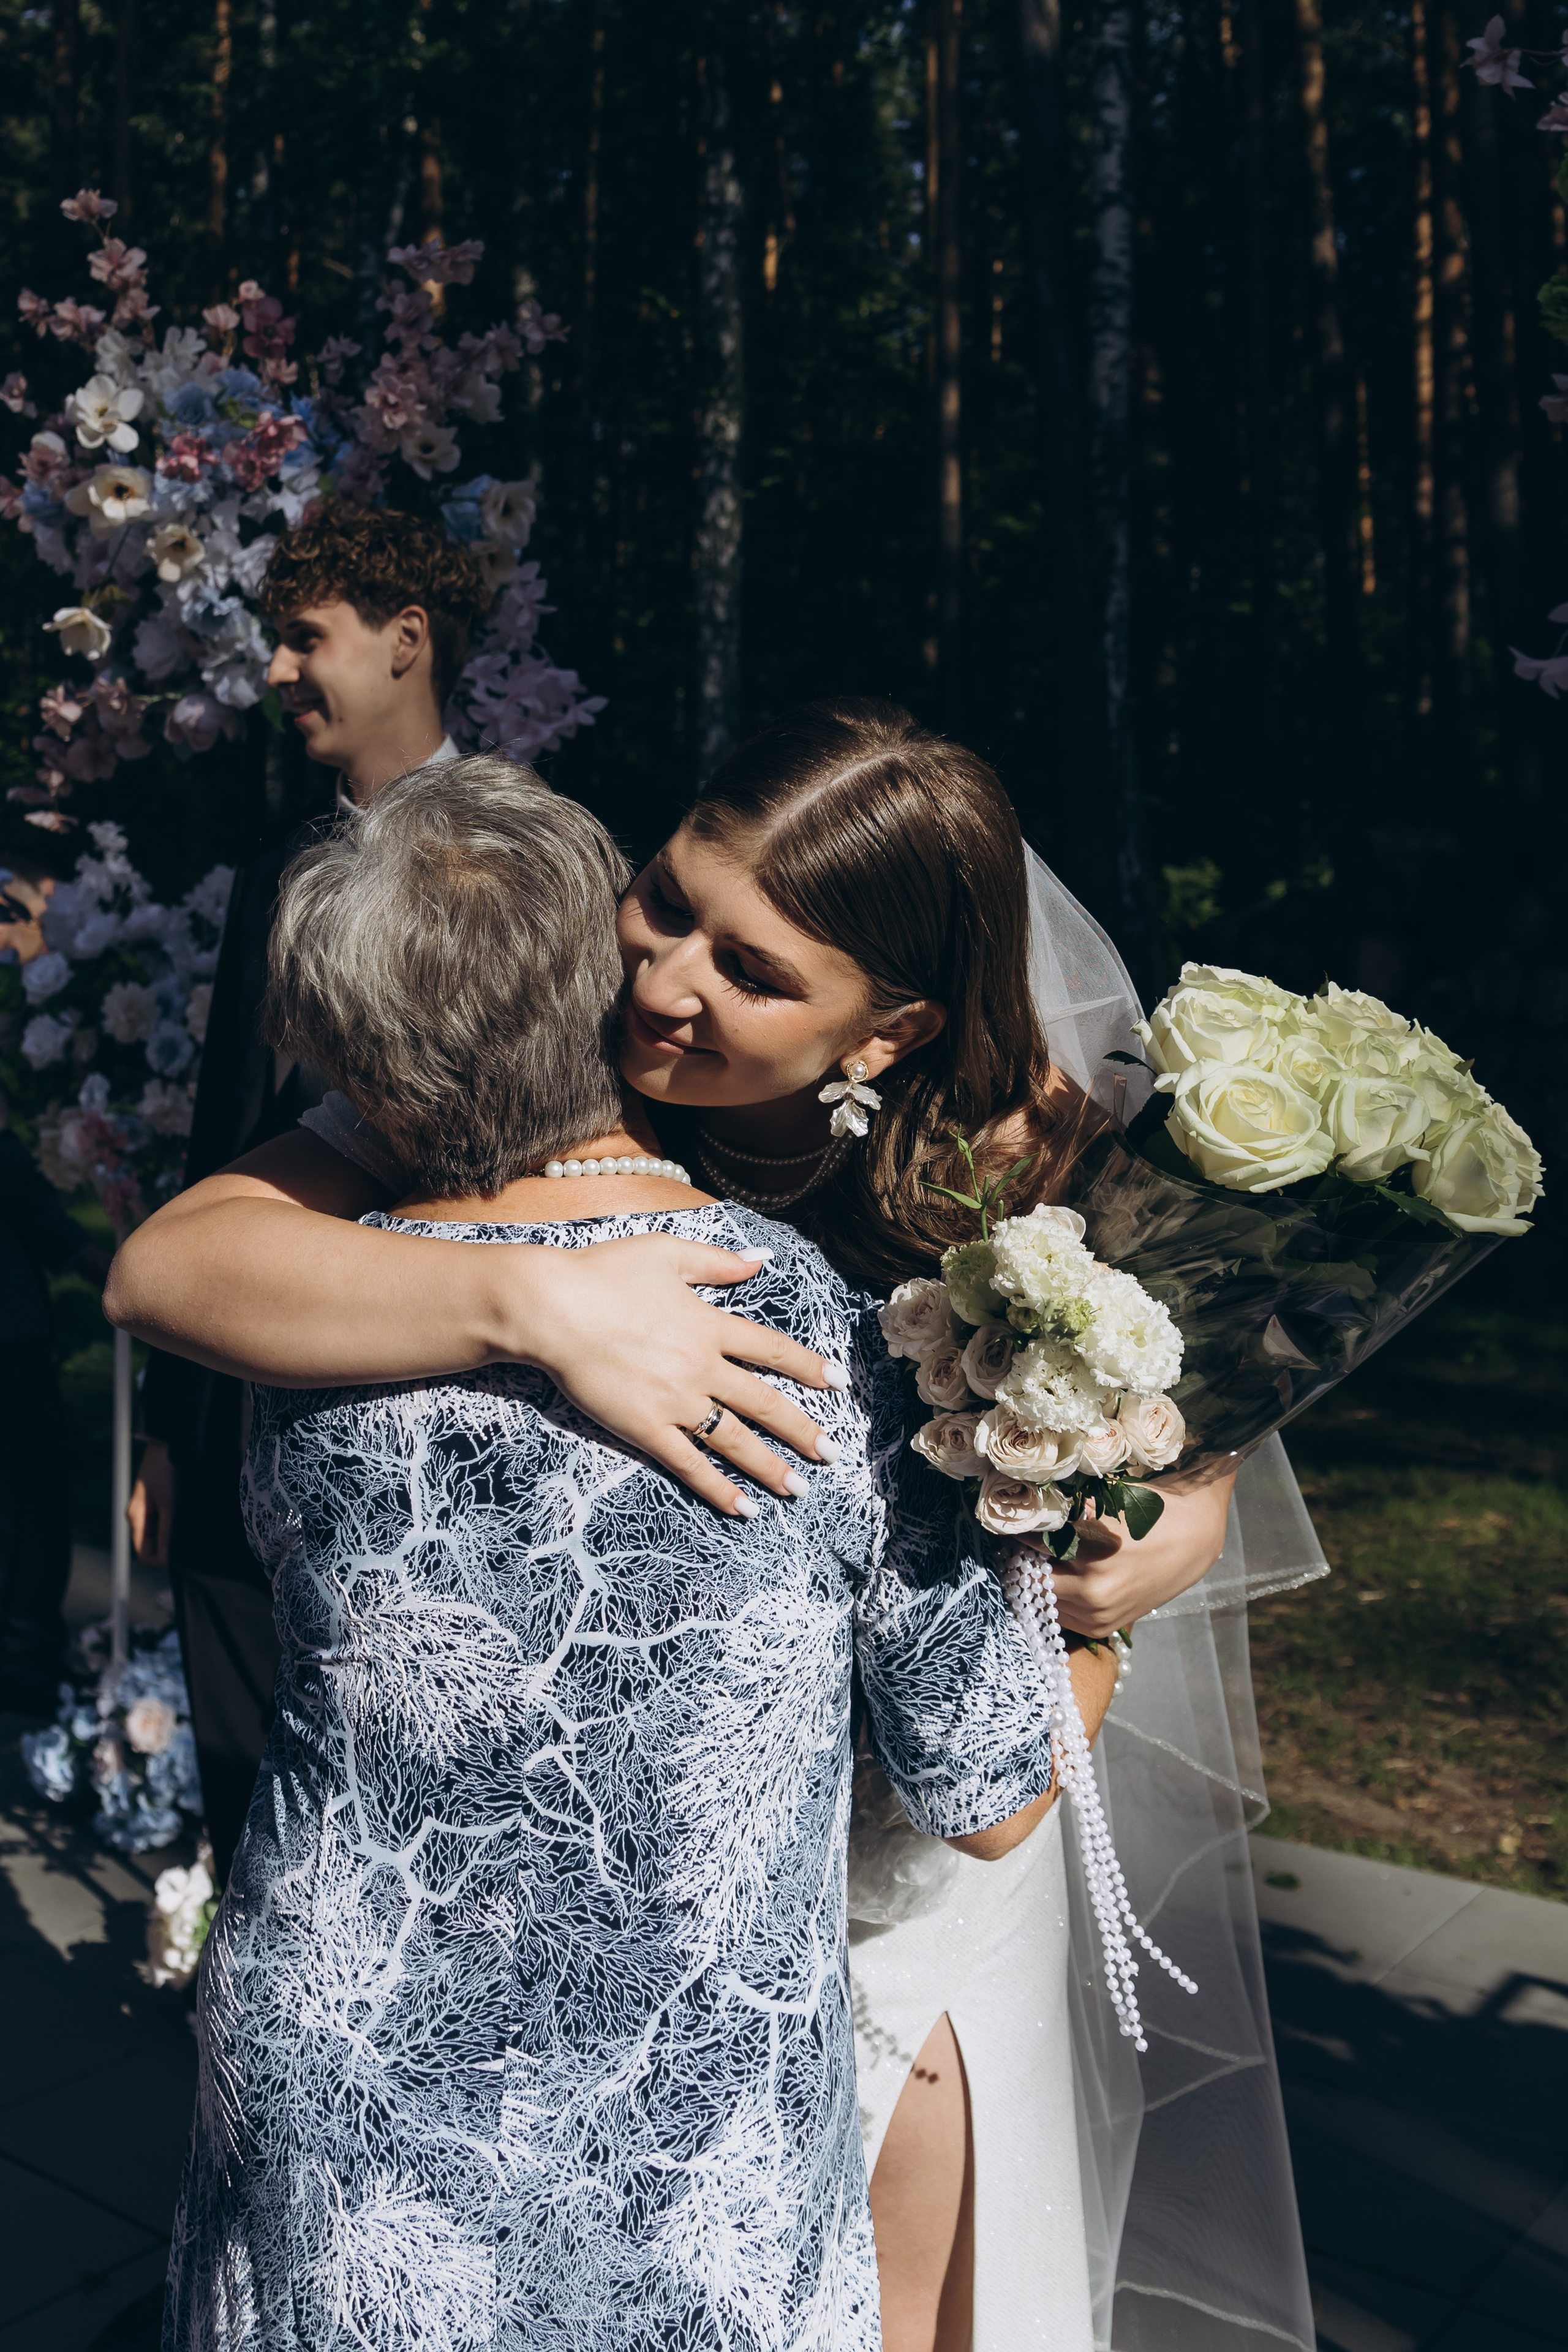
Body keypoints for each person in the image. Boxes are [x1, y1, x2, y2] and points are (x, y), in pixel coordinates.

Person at [108, 699, 1319, 2349]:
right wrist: (539, 1307)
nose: (662, 981)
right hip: (648, 1851)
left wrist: (1153, 1526)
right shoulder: (536, 1049)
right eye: (668, 900)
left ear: (885, 1031)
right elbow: (168, 1265)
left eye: (749, 972)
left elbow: (1145, 1438)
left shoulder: (1023, 1176)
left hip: (872, 1824)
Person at [129, 503, 491, 1879]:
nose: (278, 670)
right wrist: (170, 1426)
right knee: (243, 1805)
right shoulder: (277, 866)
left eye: (303, 639)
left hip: (423, 1410)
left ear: (406, 641)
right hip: (234, 1398)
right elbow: (223, 1138)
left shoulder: (519, 854)